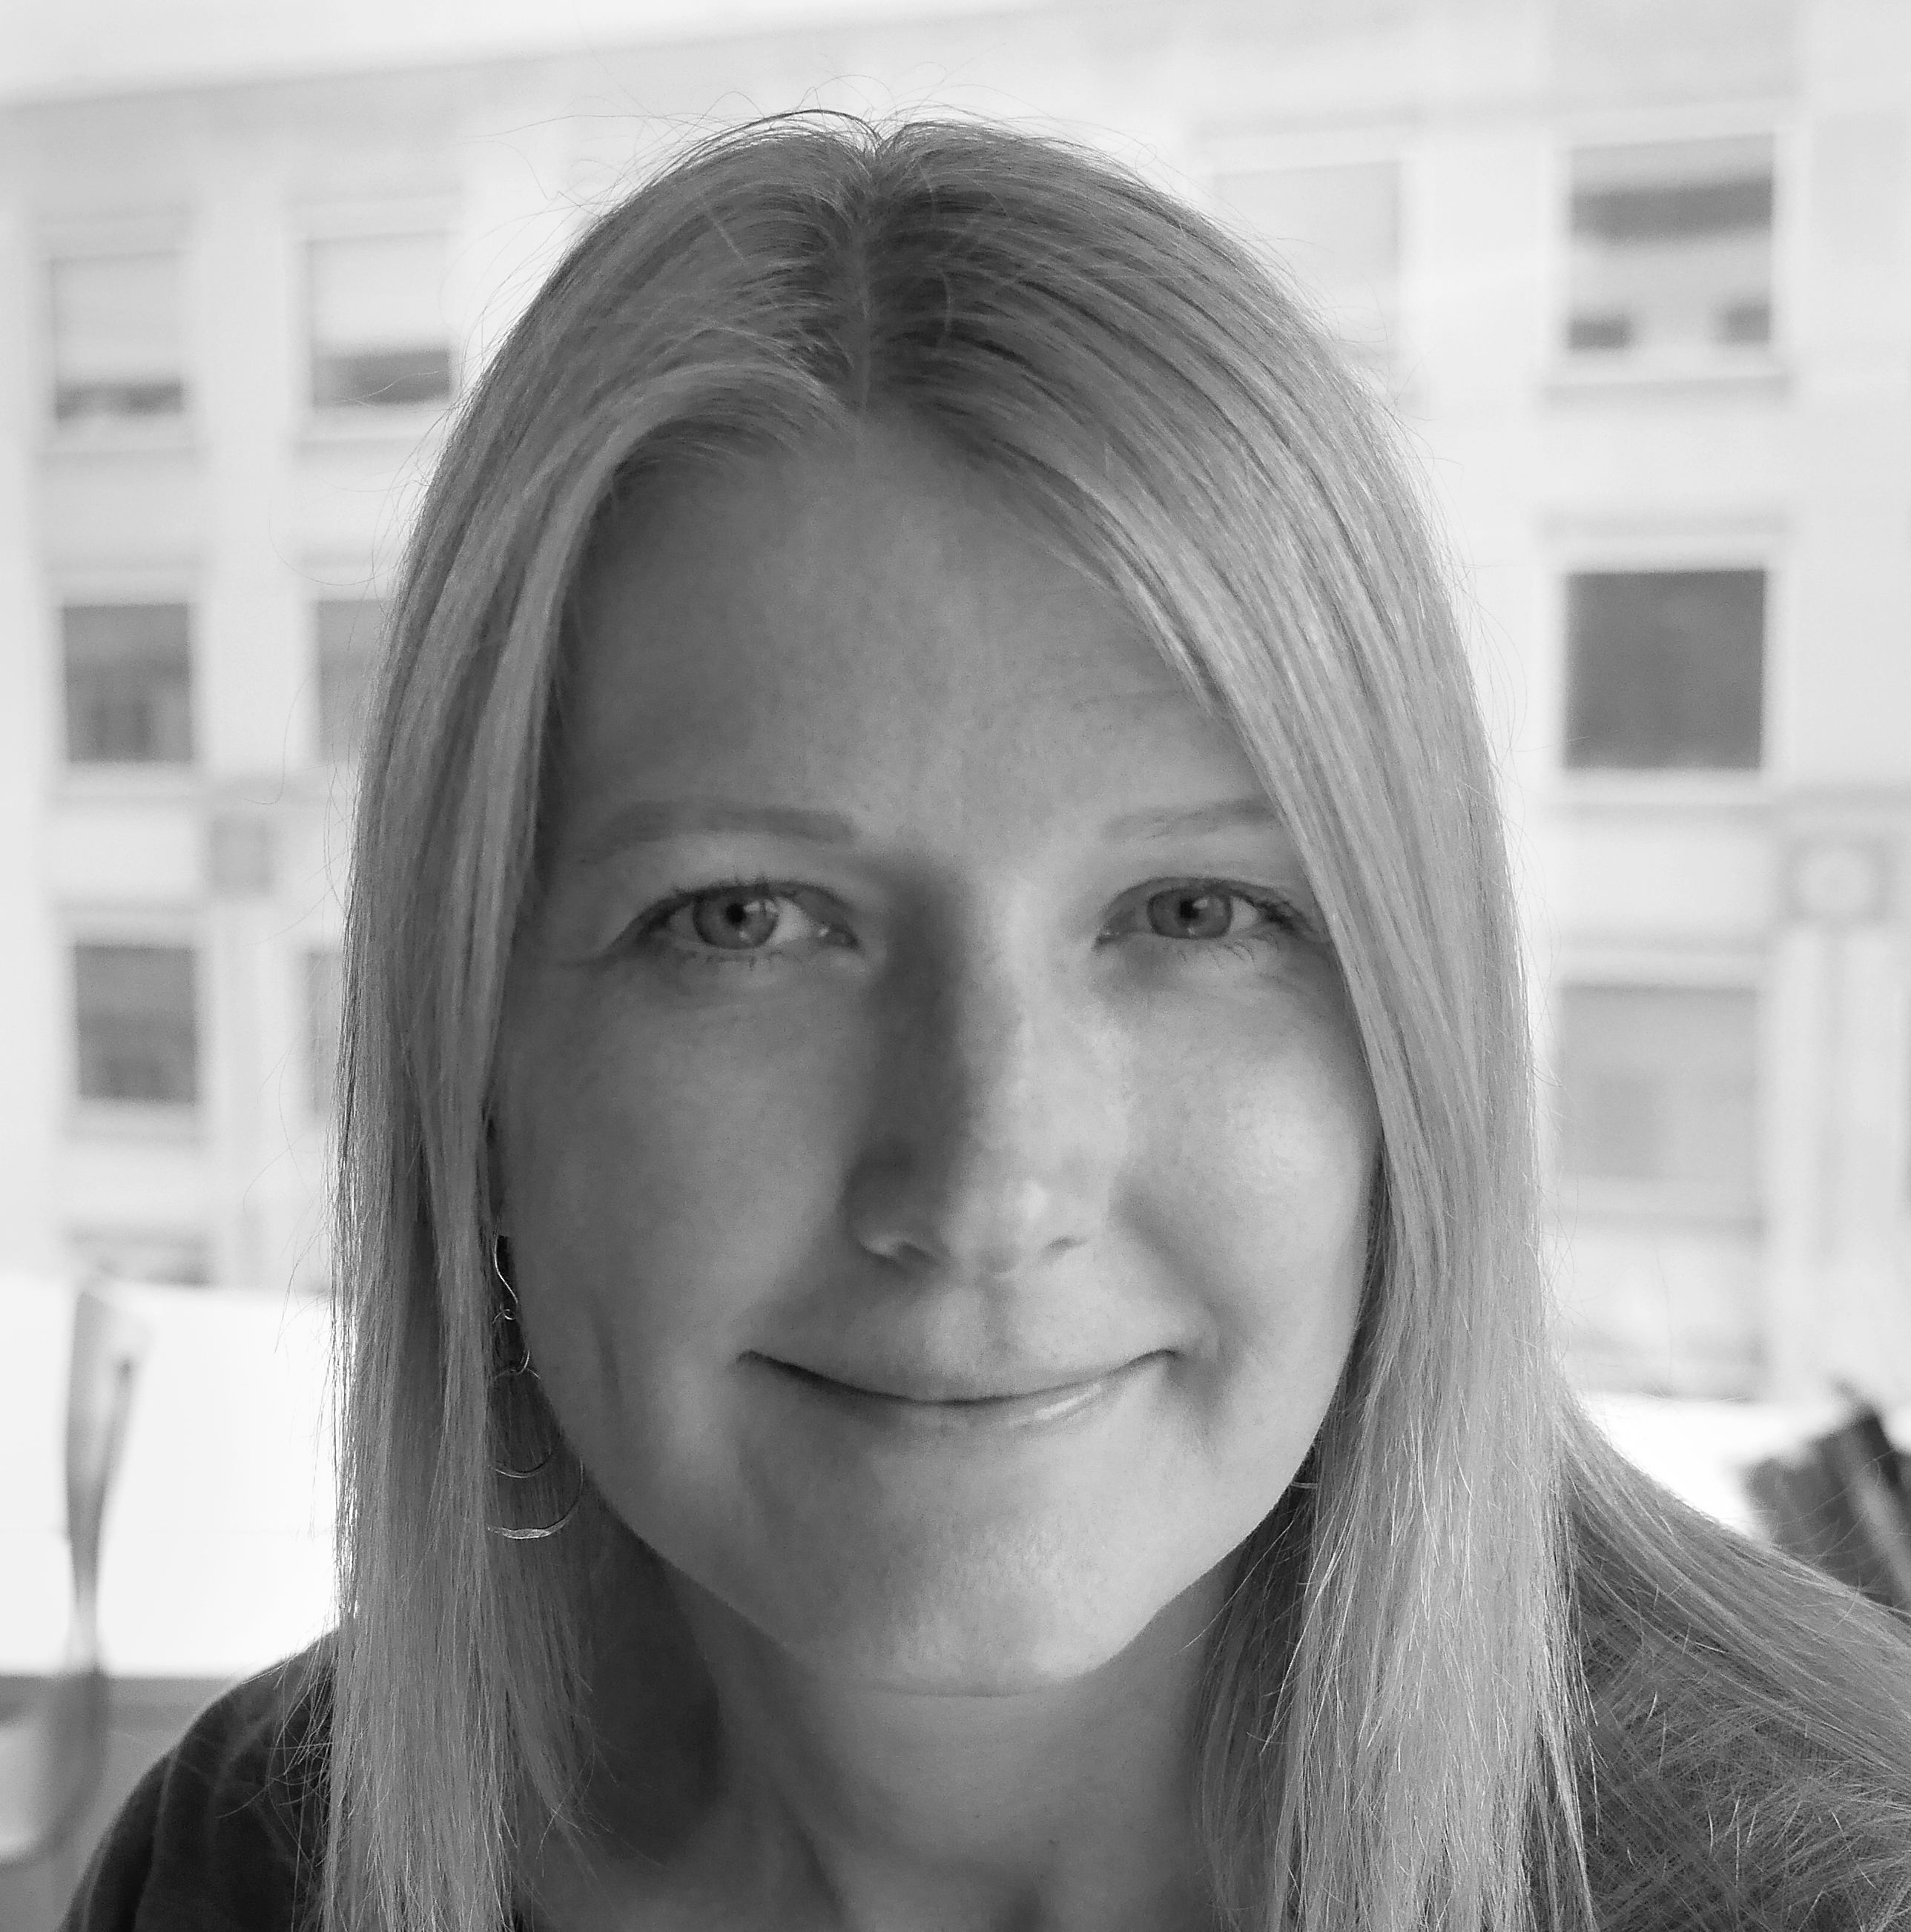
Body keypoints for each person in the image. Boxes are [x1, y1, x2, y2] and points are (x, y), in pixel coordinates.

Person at [64, 112, 1911, 1932]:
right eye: (747, 921)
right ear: (474, 1057)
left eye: (1195, 913)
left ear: (1408, 1064)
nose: (986, 1184)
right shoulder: (253, 1864)